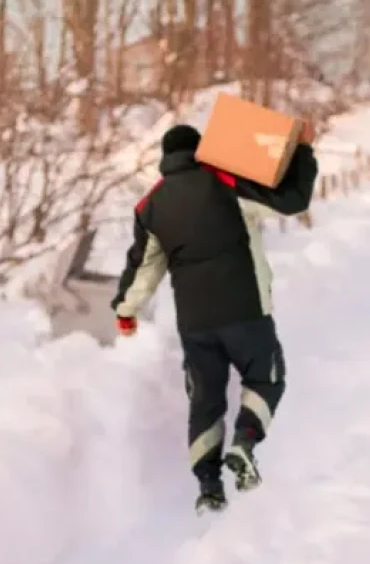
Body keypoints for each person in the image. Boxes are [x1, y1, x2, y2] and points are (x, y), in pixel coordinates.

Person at [111, 121, 317, 513]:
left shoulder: (150, 205)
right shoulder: (226, 180)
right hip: (245, 309)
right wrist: (303, 151)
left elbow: (144, 267)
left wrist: (126, 310)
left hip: (196, 323)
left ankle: (209, 487)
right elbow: (292, 200)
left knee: (205, 399)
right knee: (266, 376)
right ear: (202, 150)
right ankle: (245, 442)